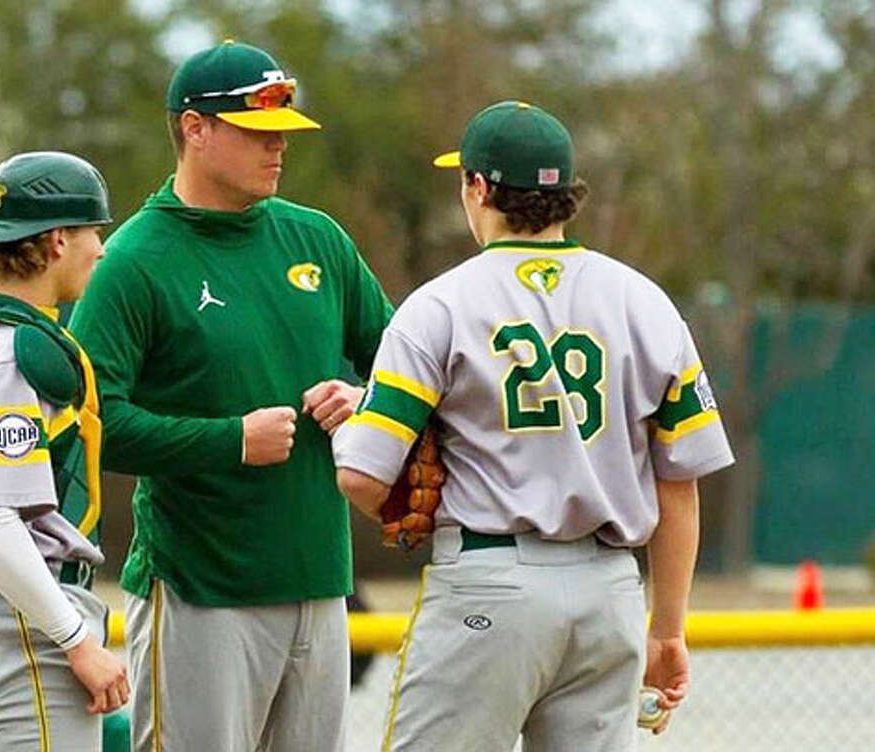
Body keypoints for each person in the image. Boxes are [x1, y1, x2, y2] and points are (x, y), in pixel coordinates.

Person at [333, 100, 736, 751]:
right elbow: (678, 485)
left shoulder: (441, 303)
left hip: (490, 582)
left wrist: (353, 436)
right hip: (609, 593)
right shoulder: (644, 301)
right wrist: (668, 629)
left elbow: (361, 476)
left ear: (480, 187)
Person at [69, 40, 394, 752]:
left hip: (319, 578)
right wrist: (229, 440)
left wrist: (363, 395)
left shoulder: (319, 240)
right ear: (194, 128)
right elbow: (87, 423)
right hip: (199, 585)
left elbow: (407, 369)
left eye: (283, 133)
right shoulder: (132, 261)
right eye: (257, 133)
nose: (277, 148)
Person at [0, 151, 129, 751]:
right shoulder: (10, 352)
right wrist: (76, 640)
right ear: (58, 239)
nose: (101, 249)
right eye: (94, 232)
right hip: (17, 623)